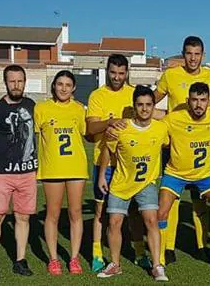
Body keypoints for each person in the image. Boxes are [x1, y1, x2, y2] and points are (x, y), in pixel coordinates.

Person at [154, 36, 210, 263]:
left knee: (200, 199)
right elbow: (152, 99)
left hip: (201, 145)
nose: (193, 58)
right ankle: (168, 247)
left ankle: (201, 245)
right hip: (175, 144)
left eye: (197, 53)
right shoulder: (171, 75)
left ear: (203, 55)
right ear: (183, 54)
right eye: (189, 53)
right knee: (171, 200)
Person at [157, 82, 210, 271]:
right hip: (175, 174)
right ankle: (159, 259)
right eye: (194, 100)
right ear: (187, 101)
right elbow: (152, 130)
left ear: (209, 101)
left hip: (206, 175)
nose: (199, 104)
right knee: (161, 213)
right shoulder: (173, 119)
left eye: (203, 100)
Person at [96, 85, 169, 281]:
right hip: (121, 182)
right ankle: (115, 264)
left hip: (147, 183)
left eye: (148, 105)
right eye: (140, 105)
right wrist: (102, 175)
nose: (144, 109)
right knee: (114, 222)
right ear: (134, 106)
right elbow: (107, 151)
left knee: (151, 220)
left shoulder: (162, 128)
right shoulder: (121, 128)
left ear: (154, 106)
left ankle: (157, 266)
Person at [86, 54, 147, 272]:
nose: (117, 77)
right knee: (101, 211)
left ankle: (140, 253)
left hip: (130, 164)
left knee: (134, 212)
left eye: (121, 73)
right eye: (113, 72)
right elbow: (90, 130)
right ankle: (96, 254)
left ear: (127, 72)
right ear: (107, 70)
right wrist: (111, 122)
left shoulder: (134, 94)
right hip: (105, 163)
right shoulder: (97, 96)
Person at [0, 64, 37, 280]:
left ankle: (20, 261)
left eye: (20, 81)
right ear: (5, 82)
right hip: (1, 174)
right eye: (12, 81)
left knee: (23, 217)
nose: (16, 85)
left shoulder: (31, 105)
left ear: (25, 82)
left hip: (28, 173)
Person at [34, 70, 88, 275]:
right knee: (53, 214)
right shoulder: (42, 108)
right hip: (51, 168)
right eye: (60, 84)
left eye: (67, 85)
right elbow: (34, 137)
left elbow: (87, 133)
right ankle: (54, 259)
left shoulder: (79, 109)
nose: (63, 88)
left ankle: (74, 258)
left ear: (73, 88)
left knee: (75, 212)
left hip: (76, 167)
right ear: (54, 86)